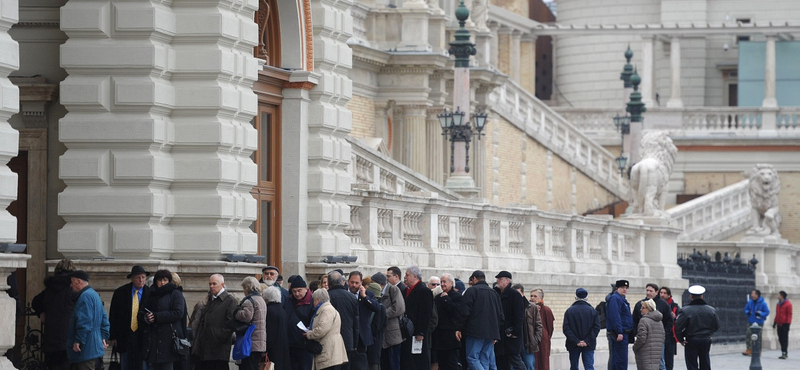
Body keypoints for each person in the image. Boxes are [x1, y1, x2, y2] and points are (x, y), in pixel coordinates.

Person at [31, 258, 76, 370]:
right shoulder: (73, 288)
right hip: (69, 336)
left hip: (51, 337)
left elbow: (35, 301)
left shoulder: (50, 287)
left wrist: (41, 312)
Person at [456, 270, 504, 370]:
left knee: (472, 358)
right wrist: (496, 332)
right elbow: (500, 315)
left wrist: (459, 327)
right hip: (491, 332)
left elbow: (464, 311)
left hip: (475, 331)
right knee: (484, 359)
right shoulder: (494, 293)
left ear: (474, 278)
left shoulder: (472, 291)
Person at [140, 269, 186, 370]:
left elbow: (178, 313)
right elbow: (142, 312)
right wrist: (146, 317)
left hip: (169, 339)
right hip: (153, 339)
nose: (162, 283)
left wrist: (157, 316)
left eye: (165, 280)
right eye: (160, 280)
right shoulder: (150, 294)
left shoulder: (175, 294)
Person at [107, 266, 150, 370]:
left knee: (142, 365)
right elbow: (113, 315)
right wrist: (113, 336)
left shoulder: (150, 293)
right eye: (138, 277)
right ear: (132, 278)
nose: (141, 280)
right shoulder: (120, 293)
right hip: (125, 334)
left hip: (143, 336)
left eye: (143, 277)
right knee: (125, 363)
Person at [66, 270, 110, 370]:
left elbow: (85, 322)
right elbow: (104, 319)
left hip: (85, 349)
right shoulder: (94, 294)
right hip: (94, 346)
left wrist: (78, 341)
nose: (70, 285)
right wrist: (103, 337)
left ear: (78, 282)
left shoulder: (84, 296)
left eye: (72, 282)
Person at [194, 274, 238, 370]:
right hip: (206, 348)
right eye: (210, 284)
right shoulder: (211, 300)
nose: (211, 286)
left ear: (222, 285)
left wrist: (219, 336)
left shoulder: (230, 300)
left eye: (214, 284)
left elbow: (231, 323)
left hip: (219, 348)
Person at [675, 285, 720, 370]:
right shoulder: (711, 310)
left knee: (692, 364)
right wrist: (708, 333)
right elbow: (716, 326)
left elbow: (678, 327)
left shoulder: (685, 310)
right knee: (705, 362)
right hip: (706, 339)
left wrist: (681, 339)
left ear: (691, 296)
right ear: (702, 296)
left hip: (691, 340)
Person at [305, 288, 349, 370]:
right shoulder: (327, 309)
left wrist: (309, 333)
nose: (313, 303)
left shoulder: (326, 310)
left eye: (313, 300)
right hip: (330, 351)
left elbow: (321, 330)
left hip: (328, 353)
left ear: (318, 300)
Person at [632, 283, 673, 370]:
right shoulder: (640, 304)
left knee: (659, 363)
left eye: (651, 291)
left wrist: (664, 334)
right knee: (646, 363)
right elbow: (635, 320)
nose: (648, 293)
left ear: (656, 292)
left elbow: (669, 321)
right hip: (645, 338)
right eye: (647, 290)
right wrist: (636, 333)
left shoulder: (663, 304)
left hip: (657, 339)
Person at [401, 265, 433, 370]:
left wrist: (421, 332)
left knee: (418, 360)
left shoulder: (424, 291)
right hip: (407, 330)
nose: (405, 277)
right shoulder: (406, 290)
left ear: (415, 276)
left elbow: (426, 313)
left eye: (407, 275)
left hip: (417, 331)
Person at [327, 270, 359, 370]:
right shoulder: (352, 297)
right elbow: (356, 323)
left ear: (328, 283)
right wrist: (355, 343)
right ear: (343, 282)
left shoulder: (327, 297)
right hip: (348, 340)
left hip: (330, 342)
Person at [348, 271, 380, 370]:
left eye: (357, 283)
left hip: (361, 335)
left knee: (360, 364)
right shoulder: (344, 294)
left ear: (361, 283)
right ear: (348, 281)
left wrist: (365, 297)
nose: (354, 285)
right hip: (347, 333)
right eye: (352, 282)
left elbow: (377, 308)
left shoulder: (368, 294)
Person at [234, 277, 267, 370]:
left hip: (250, 341)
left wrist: (236, 312)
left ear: (247, 288)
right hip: (259, 341)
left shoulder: (250, 301)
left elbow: (246, 316)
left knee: (247, 366)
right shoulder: (261, 300)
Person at [373, 272, 404, 370]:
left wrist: (382, 314)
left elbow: (399, 308)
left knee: (393, 363)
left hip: (392, 333)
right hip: (381, 334)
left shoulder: (393, 289)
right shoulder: (377, 293)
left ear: (379, 284)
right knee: (384, 363)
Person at [562, 288, 600, 370]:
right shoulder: (592, 311)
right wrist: (587, 340)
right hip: (589, 344)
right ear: (587, 298)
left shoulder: (569, 311)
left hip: (573, 344)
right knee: (589, 366)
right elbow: (596, 327)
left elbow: (566, 328)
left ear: (575, 297)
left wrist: (576, 341)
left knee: (574, 366)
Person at [494, 271, 526, 370]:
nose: (497, 281)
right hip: (501, 337)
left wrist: (515, 332)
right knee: (503, 362)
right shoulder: (498, 294)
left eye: (500, 279)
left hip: (511, 336)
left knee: (515, 361)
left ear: (507, 281)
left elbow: (519, 316)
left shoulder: (514, 295)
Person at [433, 273, 462, 370]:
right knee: (441, 363)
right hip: (439, 336)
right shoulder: (438, 297)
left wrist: (446, 299)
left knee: (451, 363)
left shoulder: (457, 296)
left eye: (444, 282)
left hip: (450, 337)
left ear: (451, 283)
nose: (442, 284)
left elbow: (455, 311)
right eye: (441, 282)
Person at [287, 276, 314, 370]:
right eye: (294, 291)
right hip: (291, 343)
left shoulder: (312, 301)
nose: (297, 294)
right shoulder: (289, 301)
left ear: (306, 289)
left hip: (305, 344)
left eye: (299, 290)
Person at [606, 280, 633, 370]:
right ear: (617, 288)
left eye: (626, 288)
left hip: (624, 333)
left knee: (621, 359)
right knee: (619, 360)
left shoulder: (622, 299)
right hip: (619, 334)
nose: (625, 290)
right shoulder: (615, 298)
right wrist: (619, 331)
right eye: (622, 288)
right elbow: (615, 316)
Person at [513, 284, 541, 370]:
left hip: (527, 343)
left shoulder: (532, 307)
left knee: (529, 365)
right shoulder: (510, 306)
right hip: (514, 343)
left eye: (518, 293)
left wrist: (536, 340)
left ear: (523, 293)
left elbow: (538, 325)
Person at [262, 286, 289, 370]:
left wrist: (265, 348)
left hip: (274, 349)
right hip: (283, 346)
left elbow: (270, 332)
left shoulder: (270, 310)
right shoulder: (282, 310)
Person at [633, 299, 664, 370]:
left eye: (643, 308)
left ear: (649, 309)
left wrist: (635, 347)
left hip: (645, 353)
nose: (640, 309)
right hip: (657, 352)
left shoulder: (643, 321)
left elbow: (641, 338)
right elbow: (663, 336)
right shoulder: (659, 321)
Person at [365, 283, 387, 370]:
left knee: (374, 365)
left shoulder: (380, 308)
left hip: (375, 343)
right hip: (372, 342)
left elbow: (376, 327)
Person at [531, 289, 554, 370]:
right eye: (531, 296)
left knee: (543, 361)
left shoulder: (546, 310)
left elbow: (550, 327)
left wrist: (546, 337)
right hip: (531, 339)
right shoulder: (528, 309)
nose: (532, 298)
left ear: (540, 298)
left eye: (535, 296)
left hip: (543, 340)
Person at [743, 289, 769, 356]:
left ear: (757, 295)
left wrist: (760, 314)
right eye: (751, 293)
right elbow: (746, 309)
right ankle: (749, 349)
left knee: (758, 337)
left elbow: (767, 312)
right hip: (751, 321)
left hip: (759, 322)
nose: (752, 295)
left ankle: (758, 350)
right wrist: (748, 312)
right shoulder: (750, 302)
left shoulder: (763, 303)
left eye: (753, 293)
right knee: (748, 334)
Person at [659, 287, 680, 370]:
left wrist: (675, 318)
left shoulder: (675, 306)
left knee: (669, 359)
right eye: (661, 292)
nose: (662, 295)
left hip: (670, 336)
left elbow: (680, 319)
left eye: (664, 293)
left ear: (669, 295)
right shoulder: (657, 304)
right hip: (659, 334)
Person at [775, 290, 792, 359]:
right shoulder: (778, 304)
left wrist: (788, 323)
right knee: (780, 338)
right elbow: (777, 314)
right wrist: (775, 322)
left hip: (785, 324)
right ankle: (783, 351)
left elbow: (789, 314)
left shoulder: (788, 304)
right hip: (779, 324)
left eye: (779, 295)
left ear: (782, 296)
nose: (778, 296)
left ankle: (784, 352)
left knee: (784, 338)